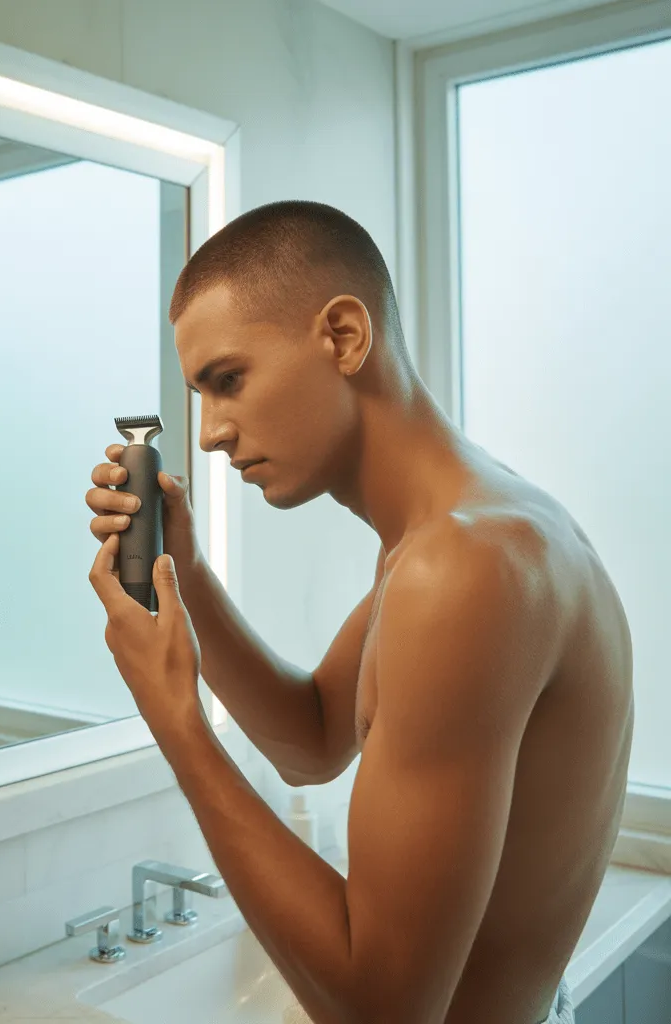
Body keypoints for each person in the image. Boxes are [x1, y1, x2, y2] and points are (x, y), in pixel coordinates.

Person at [85, 201, 632, 1024]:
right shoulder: (463, 529)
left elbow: (384, 1012)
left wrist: (178, 722)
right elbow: (310, 741)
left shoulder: (462, 570)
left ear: (343, 335)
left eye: (227, 381)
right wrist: (185, 573)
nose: (208, 435)